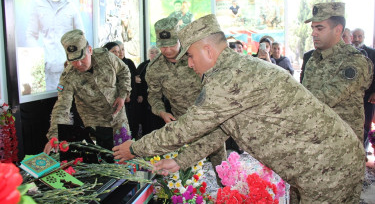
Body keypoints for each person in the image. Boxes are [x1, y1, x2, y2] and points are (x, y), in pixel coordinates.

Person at [113, 14, 365, 203]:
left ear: (208, 50)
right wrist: (181, 161)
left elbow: (185, 129)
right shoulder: (235, 70)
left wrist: (135, 148)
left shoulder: (228, 79)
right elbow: (218, 131)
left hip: (327, 168)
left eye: (189, 56)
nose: (189, 64)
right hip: (320, 163)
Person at [144, 17, 226, 181]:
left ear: (180, 40)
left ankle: (226, 190)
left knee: (220, 162)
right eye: (163, 46)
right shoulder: (154, 69)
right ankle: (188, 195)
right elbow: (153, 96)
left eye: (171, 45)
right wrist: (162, 112)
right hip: (182, 122)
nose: (167, 50)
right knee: (184, 166)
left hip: (209, 117)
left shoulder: (196, 56)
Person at [44, 29, 132, 154]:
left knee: (124, 157)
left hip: (118, 119)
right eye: (73, 60)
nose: (78, 64)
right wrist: (55, 135)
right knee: (101, 161)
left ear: (89, 50)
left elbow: (124, 71)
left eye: (81, 58)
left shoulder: (105, 57)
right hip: (94, 125)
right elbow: (62, 107)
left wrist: (123, 94)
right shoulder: (68, 76)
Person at [302, 2, 373, 141]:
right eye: (313, 28)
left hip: (341, 148)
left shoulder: (354, 61)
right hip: (315, 142)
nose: (313, 33)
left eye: (319, 28)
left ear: (338, 30)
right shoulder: (314, 58)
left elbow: (323, 99)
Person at [26, 0, 84, 91]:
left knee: (70, 107)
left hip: (70, 70)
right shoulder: (38, 5)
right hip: (48, 72)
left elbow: (81, 37)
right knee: (52, 106)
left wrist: (76, 60)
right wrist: (41, 59)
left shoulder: (71, 7)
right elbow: (31, 35)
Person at [135, 46, 165, 136]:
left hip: (162, 99)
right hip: (145, 98)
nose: (154, 54)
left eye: (157, 52)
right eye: (152, 52)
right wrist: (139, 94)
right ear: (148, 54)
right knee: (147, 122)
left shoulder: (164, 65)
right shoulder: (143, 66)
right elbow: (137, 82)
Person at [352, 28, 375, 145]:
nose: (356, 39)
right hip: (351, 97)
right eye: (354, 36)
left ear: (364, 37)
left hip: (368, 96)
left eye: (359, 36)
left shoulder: (372, 53)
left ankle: (363, 151)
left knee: (366, 125)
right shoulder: (347, 52)